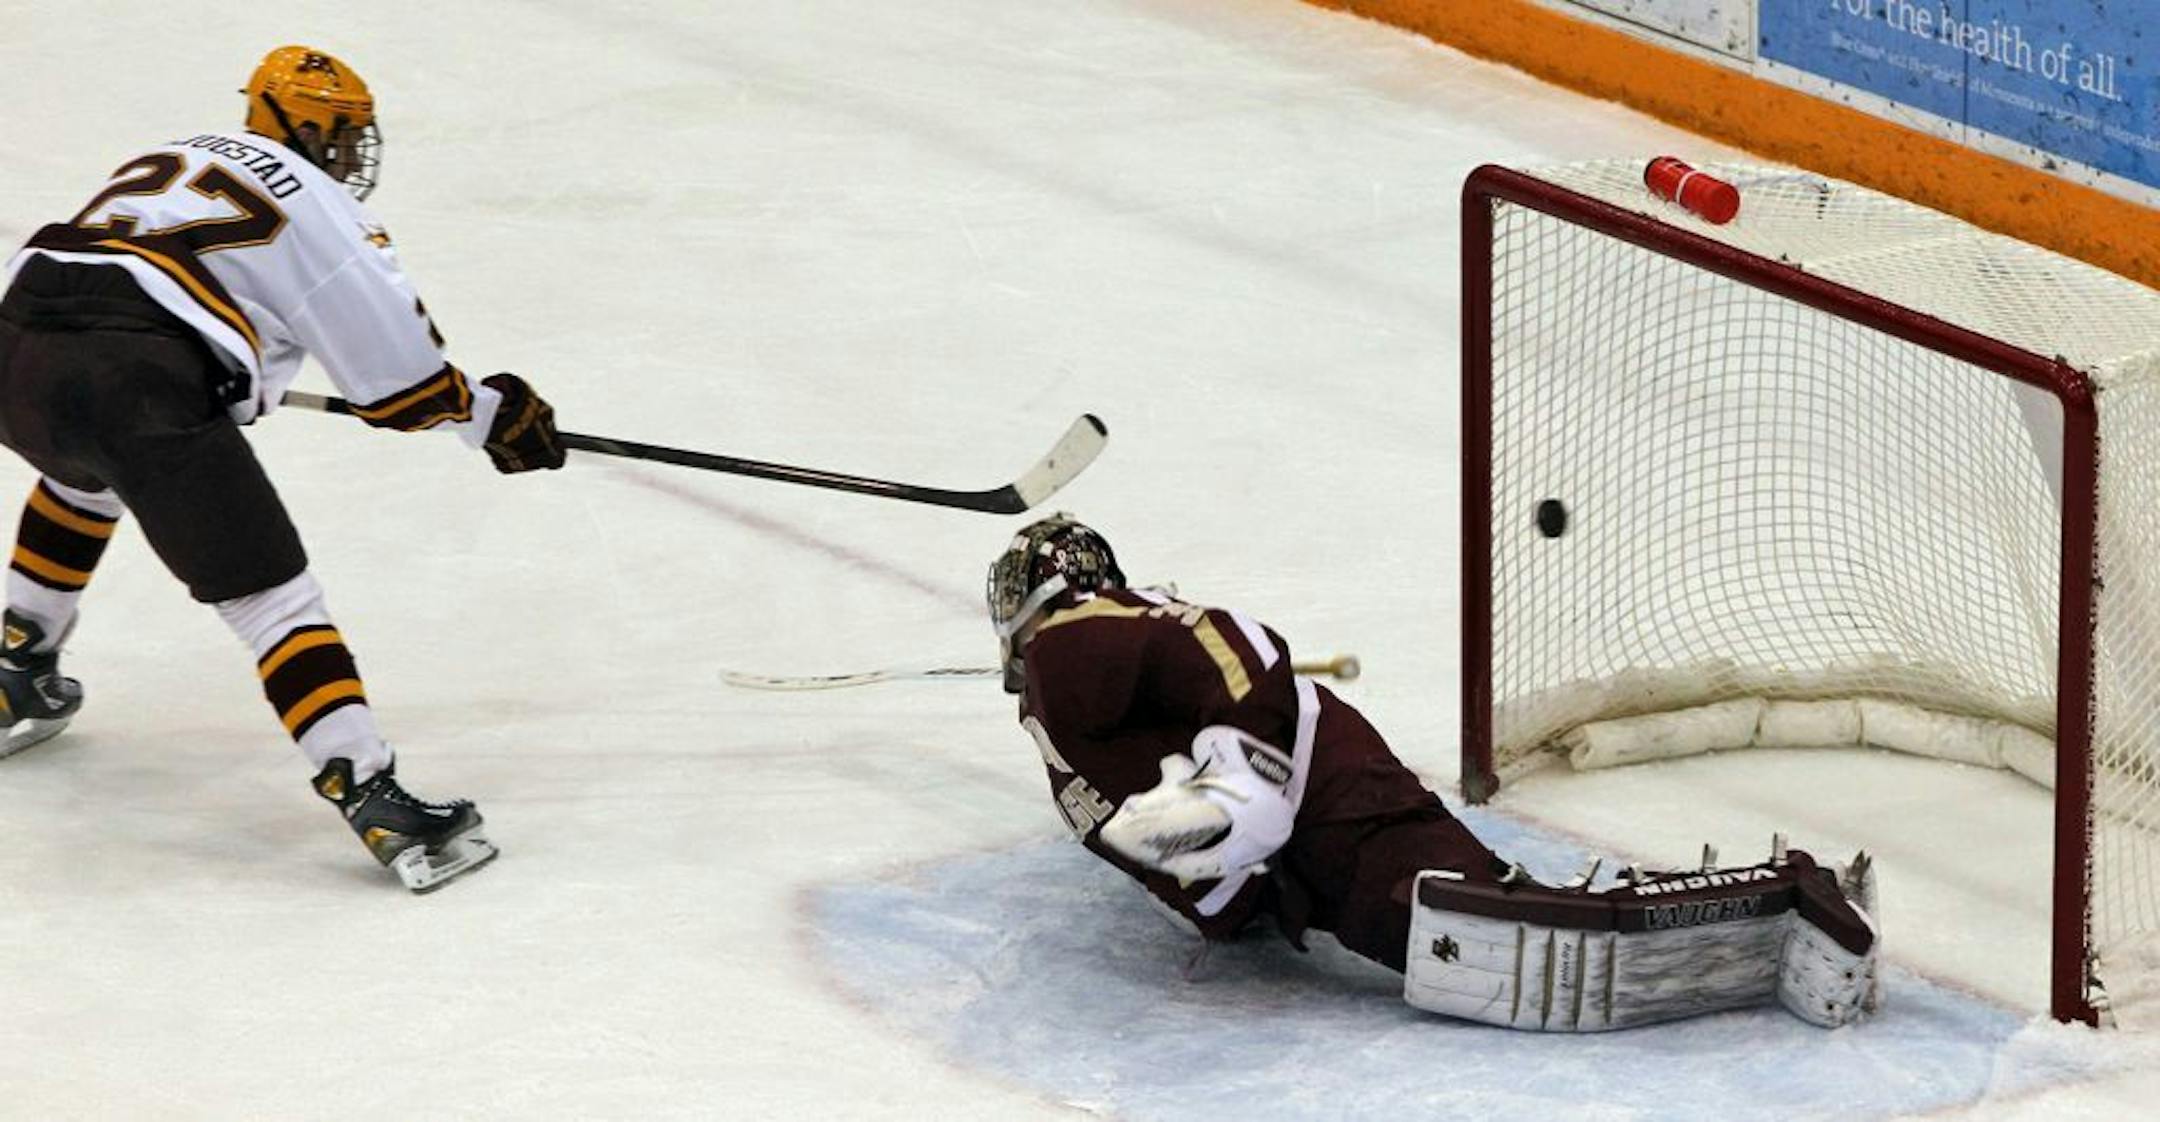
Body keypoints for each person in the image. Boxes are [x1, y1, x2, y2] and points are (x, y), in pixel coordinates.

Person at [0, 45, 565, 893]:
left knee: (86, 475)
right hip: (136, 382)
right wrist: (492, 416)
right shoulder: (322, 207)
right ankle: (372, 792)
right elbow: (402, 385)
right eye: (341, 136)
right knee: (273, 601)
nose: (348, 154)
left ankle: (15, 668)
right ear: (307, 129)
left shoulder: (180, 151)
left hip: (14, 347)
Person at [988, 513, 1882, 1030]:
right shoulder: (1067, 718)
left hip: (1312, 787)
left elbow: (1242, 647)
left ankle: (1768, 904)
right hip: (1310, 816)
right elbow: (1167, 852)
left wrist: (1242, 779)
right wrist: (1232, 888)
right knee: (1484, 912)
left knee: (1475, 924)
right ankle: (1753, 912)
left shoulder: (1073, 645)